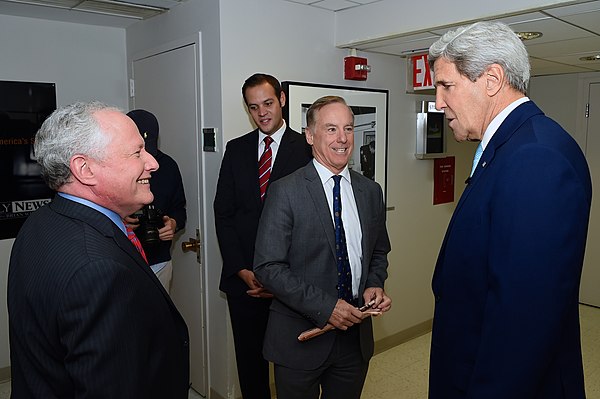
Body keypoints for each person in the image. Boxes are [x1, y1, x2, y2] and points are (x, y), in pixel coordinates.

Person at [427, 21, 592, 399]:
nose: (438, 101)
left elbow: (523, 321)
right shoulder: (509, 147)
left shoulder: (536, 158)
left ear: (491, 79)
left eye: (446, 85)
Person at [7, 102, 190, 398]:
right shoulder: (100, 270)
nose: (152, 163)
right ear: (85, 169)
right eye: (136, 152)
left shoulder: (40, 223)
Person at [253, 95, 392, 399]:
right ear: (310, 135)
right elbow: (268, 267)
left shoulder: (370, 191)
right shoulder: (286, 191)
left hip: (354, 341)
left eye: (348, 128)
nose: (342, 138)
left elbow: (378, 253)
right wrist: (327, 307)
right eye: (331, 129)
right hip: (300, 339)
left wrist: (373, 284)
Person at [214, 73, 312, 398]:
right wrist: (242, 268)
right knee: (250, 366)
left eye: (268, 103)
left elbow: (312, 222)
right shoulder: (236, 149)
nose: (262, 113)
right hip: (245, 282)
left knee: (294, 367)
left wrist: (279, 277)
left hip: (291, 285)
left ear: (282, 99)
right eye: (254, 107)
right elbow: (223, 213)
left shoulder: (307, 149)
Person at [125, 109, 187, 293]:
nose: (148, 162)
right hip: (125, 261)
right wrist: (120, 221)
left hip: (159, 263)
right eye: (138, 151)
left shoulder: (168, 166)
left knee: (160, 321)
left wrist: (173, 224)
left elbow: (179, 208)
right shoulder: (115, 167)